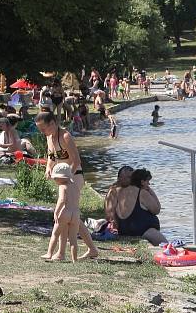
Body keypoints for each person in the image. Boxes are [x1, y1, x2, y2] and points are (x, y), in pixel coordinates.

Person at [35, 111, 99, 258]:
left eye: (43, 128)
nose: (41, 131)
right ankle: (89, 249)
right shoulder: (49, 137)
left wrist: (67, 179)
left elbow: (76, 161)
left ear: (52, 123)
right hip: (62, 178)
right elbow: (51, 156)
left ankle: (61, 252)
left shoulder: (65, 136)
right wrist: (48, 169)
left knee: (64, 214)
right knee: (71, 217)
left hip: (73, 176)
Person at [114, 168, 167, 244]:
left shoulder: (121, 191)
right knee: (166, 245)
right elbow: (156, 209)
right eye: (148, 181)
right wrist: (151, 191)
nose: (149, 184)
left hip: (124, 229)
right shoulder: (142, 193)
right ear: (142, 182)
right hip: (142, 230)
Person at [43, 163, 81, 262]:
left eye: (55, 178)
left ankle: (49, 253)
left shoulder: (63, 186)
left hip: (65, 212)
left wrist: (56, 212)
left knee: (55, 234)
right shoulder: (75, 186)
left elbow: (62, 200)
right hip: (76, 214)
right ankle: (74, 260)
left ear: (61, 177)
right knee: (73, 239)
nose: (55, 180)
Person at [105, 165, 134, 229]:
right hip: (122, 225)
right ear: (119, 178)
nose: (131, 180)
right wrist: (116, 227)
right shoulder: (114, 191)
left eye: (132, 177)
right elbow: (110, 213)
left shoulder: (133, 189)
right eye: (129, 177)